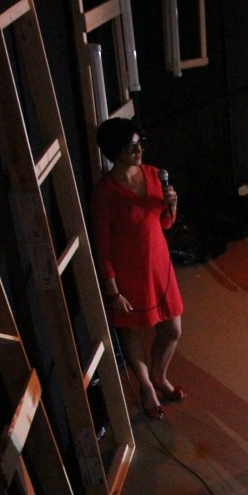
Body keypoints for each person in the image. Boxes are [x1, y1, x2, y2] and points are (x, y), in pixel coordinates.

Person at [90, 118, 185, 419]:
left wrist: (172, 204)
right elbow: (103, 247)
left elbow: (165, 223)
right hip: (128, 273)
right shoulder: (105, 193)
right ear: (115, 151)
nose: (139, 150)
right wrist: (113, 292)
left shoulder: (155, 174)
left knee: (172, 329)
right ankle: (146, 387)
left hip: (159, 266)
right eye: (131, 146)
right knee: (132, 331)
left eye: (140, 143)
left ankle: (159, 375)